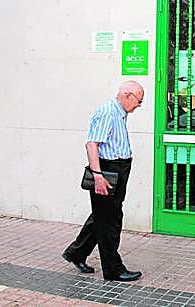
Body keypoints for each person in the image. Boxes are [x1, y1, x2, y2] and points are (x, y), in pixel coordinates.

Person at [62, 81, 144, 282]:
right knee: (110, 222)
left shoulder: (119, 112)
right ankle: (113, 269)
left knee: (103, 216)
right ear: (128, 95)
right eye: (139, 100)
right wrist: (97, 175)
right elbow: (92, 144)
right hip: (108, 170)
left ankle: (77, 253)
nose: (139, 105)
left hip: (118, 169)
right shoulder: (108, 112)